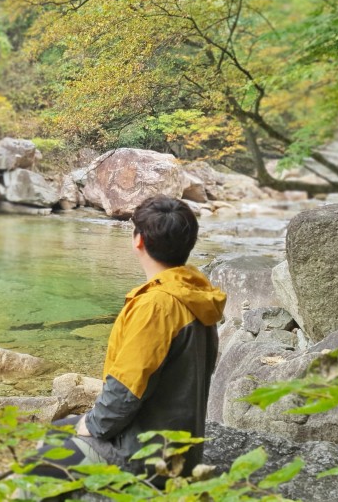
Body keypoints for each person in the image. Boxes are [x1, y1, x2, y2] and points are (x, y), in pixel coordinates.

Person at [28, 194, 226, 484]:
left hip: (147, 457)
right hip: (181, 448)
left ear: (138, 241)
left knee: (43, 457)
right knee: (60, 428)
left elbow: (125, 393)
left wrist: (92, 424)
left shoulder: (155, 306)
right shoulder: (195, 293)